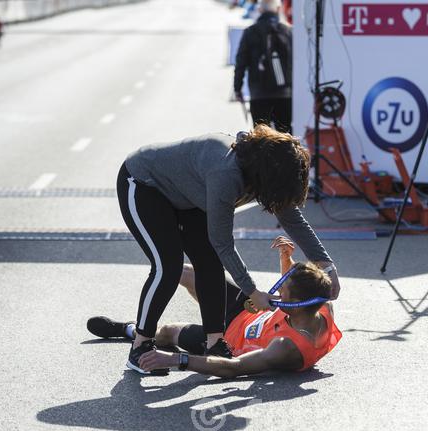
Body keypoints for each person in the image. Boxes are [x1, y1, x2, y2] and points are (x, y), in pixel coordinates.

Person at [116, 124, 340, 375]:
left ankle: (214, 343)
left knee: (209, 263)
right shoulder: (226, 174)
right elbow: (223, 242)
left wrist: (327, 266)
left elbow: (293, 220)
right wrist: (252, 291)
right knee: (168, 266)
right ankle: (141, 345)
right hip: (145, 183)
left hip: (189, 195)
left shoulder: (265, 173)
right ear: (268, 177)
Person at [87, 237, 342, 377]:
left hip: (227, 341)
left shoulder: (287, 347)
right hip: (247, 310)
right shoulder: (319, 304)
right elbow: (300, 290)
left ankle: (129, 330)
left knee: (168, 333)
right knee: (184, 272)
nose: (275, 292)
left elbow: (234, 368)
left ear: (294, 305)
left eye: (281, 292)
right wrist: (287, 261)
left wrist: (175, 359)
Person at [234, 0, 292, 133]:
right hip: (285, 93)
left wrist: (237, 89)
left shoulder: (250, 32)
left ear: (260, 10)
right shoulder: (288, 32)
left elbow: (241, 62)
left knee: (261, 139)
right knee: (286, 137)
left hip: (259, 93)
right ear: (278, 9)